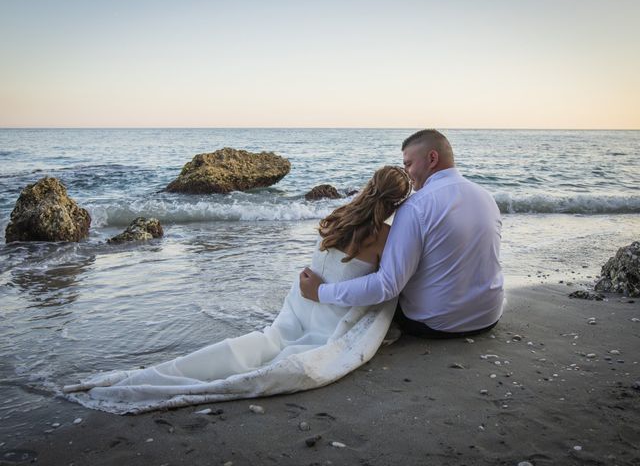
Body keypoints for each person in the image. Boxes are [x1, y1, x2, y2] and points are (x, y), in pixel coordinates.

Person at [63, 166, 412, 414]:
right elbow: (382, 286)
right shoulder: (386, 236)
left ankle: (149, 376)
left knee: (265, 342)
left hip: (302, 305)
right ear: (398, 203)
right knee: (288, 357)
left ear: (369, 186)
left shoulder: (337, 215)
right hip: (326, 311)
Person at [300, 129, 504, 338]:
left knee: (383, 290)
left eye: (408, 164)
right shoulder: (487, 197)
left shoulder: (416, 206)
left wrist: (320, 292)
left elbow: (387, 286)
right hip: (489, 316)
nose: (406, 173)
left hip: (437, 324)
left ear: (432, 158)